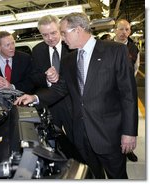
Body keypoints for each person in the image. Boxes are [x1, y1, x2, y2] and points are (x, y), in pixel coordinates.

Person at [14, 12, 138, 179]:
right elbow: (61, 89)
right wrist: (34, 98)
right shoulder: (69, 59)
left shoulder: (115, 51)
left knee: (118, 176)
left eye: (63, 33)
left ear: (78, 30)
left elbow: (128, 95)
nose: (62, 38)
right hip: (81, 135)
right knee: (93, 175)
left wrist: (129, 132)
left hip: (109, 134)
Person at [31, 15, 73, 140]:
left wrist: (60, 77)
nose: (50, 38)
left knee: (76, 139)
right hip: (50, 105)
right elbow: (33, 77)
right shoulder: (37, 50)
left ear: (60, 29)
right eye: (45, 35)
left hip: (72, 102)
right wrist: (47, 78)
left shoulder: (71, 46)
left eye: (53, 33)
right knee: (54, 141)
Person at [114, 19, 140, 162]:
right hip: (110, 92)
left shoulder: (133, 47)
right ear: (115, 30)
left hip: (126, 90)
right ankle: (115, 147)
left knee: (128, 118)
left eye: (127, 29)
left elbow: (135, 68)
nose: (124, 32)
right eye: (121, 29)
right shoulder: (106, 45)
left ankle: (128, 150)